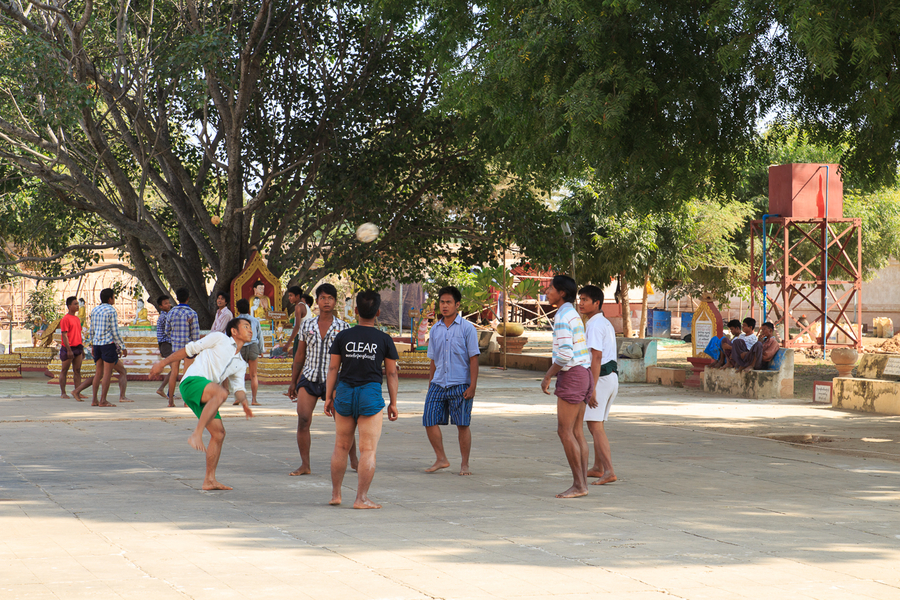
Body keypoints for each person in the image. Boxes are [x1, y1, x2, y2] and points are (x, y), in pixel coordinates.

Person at [149, 318, 254, 490]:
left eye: (251, 328)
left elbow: (239, 388)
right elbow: (189, 350)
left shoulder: (241, 363)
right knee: (221, 392)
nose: (250, 330)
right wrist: (162, 363)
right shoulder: (219, 338)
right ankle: (196, 434)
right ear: (234, 331)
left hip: (207, 393)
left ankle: (209, 480)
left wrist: (245, 404)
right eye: (246, 327)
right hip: (192, 382)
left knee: (219, 434)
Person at [324, 291, 399, 508]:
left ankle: (336, 495)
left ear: (355, 311)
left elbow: (333, 368)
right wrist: (393, 402)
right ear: (378, 312)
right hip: (370, 393)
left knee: (341, 446)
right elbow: (392, 373)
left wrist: (329, 397)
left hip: (345, 392)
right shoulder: (384, 339)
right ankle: (361, 499)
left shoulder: (343, 336)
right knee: (368, 449)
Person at [288, 283, 355, 475]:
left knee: (344, 423)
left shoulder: (343, 327)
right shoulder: (307, 325)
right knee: (302, 419)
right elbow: (300, 355)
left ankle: (354, 460)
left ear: (335, 302)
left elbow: (347, 359)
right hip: (308, 377)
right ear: (316, 301)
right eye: (323, 298)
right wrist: (293, 381)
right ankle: (305, 465)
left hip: (333, 381)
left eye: (330, 298)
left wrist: (343, 384)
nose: (327, 301)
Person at [541, 275, 592, 499]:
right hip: (584, 373)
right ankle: (582, 484)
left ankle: (579, 485)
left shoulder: (563, 316)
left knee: (565, 431)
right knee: (577, 432)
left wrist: (547, 376)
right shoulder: (573, 313)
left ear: (562, 293)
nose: (547, 291)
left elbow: (564, 354)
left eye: (551, 288)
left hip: (572, 375)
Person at [422, 286, 480, 476]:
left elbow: (474, 359)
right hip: (438, 383)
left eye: (448, 302)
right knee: (429, 419)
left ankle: (465, 464)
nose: (444, 306)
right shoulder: (435, 329)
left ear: (457, 304)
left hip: (461, 384)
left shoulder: (467, 329)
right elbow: (433, 360)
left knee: (462, 424)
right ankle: (441, 458)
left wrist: (472, 385)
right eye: (442, 302)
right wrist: (430, 383)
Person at [577, 285, 618, 485]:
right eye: (580, 299)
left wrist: (591, 388)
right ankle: (598, 467)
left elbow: (596, 357)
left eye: (585, 299)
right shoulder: (604, 323)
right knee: (597, 424)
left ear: (597, 303)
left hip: (601, 379)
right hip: (610, 378)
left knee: (595, 426)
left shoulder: (594, 324)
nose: (581, 303)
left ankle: (609, 470)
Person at [72, 288, 128, 407]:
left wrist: (90, 344)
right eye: (113, 297)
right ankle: (103, 400)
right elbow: (115, 331)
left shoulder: (95, 310)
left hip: (97, 344)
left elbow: (91, 329)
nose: (114, 299)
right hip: (108, 344)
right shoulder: (111, 311)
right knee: (107, 373)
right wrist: (123, 346)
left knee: (98, 373)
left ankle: (95, 400)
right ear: (110, 299)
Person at [165, 288, 200, 404]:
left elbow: (167, 330)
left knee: (174, 373)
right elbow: (195, 334)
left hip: (175, 347)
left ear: (177, 298)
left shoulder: (171, 312)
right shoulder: (192, 313)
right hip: (188, 348)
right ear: (188, 298)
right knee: (187, 374)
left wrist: (174, 338)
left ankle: (170, 400)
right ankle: (186, 401)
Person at [234, 298, 264, 406]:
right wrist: (261, 350)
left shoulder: (235, 321)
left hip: (240, 347)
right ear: (248, 308)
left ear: (237, 309)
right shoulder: (255, 320)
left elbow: (232, 336)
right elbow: (260, 336)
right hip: (253, 346)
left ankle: (238, 399)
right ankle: (254, 400)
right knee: (254, 375)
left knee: (238, 374)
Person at [59, 296, 84, 399]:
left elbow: (79, 333)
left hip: (78, 346)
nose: (77, 306)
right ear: (69, 306)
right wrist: (68, 349)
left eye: (77, 304)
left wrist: (81, 349)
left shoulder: (77, 319)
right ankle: (63, 393)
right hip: (68, 347)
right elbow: (64, 335)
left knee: (77, 370)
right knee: (64, 370)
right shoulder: (65, 319)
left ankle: (77, 391)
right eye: (75, 304)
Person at [280, 286, 312, 355]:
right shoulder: (305, 305)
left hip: (301, 337)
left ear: (297, 296)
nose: (289, 298)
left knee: (297, 361)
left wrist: (288, 344)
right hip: (308, 336)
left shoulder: (298, 307)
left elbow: (297, 326)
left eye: (291, 296)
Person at [154, 295, 174, 400]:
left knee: (174, 368)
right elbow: (169, 331)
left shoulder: (166, 315)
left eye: (168, 302)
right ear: (161, 306)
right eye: (165, 303)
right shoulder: (165, 317)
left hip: (166, 344)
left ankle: (168, 391)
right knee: (174, 369)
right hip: (166, 344)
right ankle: (163, 389)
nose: (168, 305)